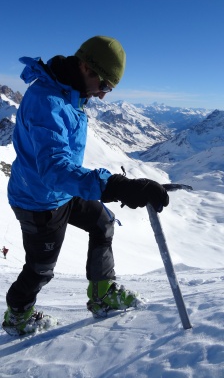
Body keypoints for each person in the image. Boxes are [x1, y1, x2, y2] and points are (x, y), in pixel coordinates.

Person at [2, 35, 169, 335]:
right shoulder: (47, 102)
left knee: (103, 222)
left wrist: (113, 188)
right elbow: (54, 168)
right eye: (104, 85)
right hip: (37, 201)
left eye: (110, 88)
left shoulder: (69, 92)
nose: (103, 96)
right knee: (40, 268)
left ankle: (102, 295)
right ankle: (17, 317)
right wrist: (117, 186)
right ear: (84, 66)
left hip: (63, 190)